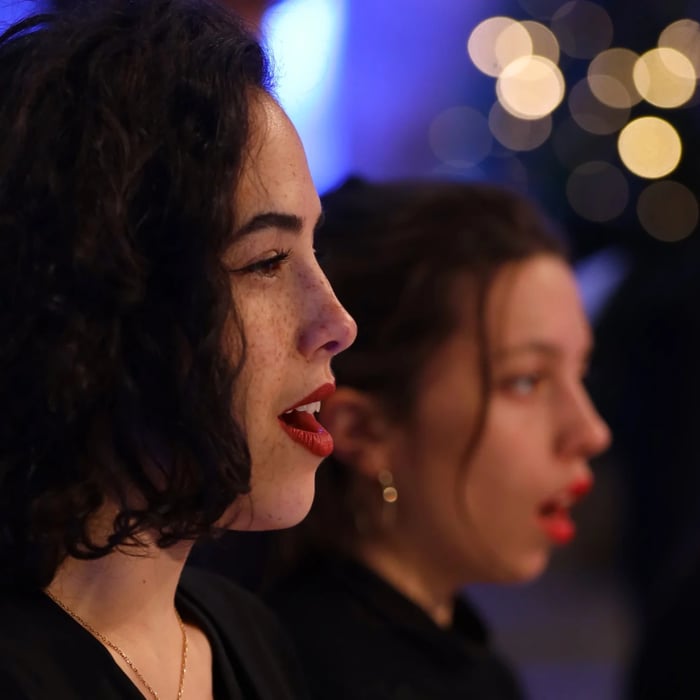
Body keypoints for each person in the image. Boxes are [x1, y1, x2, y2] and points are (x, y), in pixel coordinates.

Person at [0, 1, 356, 698]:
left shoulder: (249, 638)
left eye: (314, 248)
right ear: (100, 301)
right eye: (265, 262)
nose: (337, 321)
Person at [264, 177, 612, 700]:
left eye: (579, 372)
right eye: (525, 381)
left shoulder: (463, 661)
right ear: (364, 430)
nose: (590, 432)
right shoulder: (298, 673)